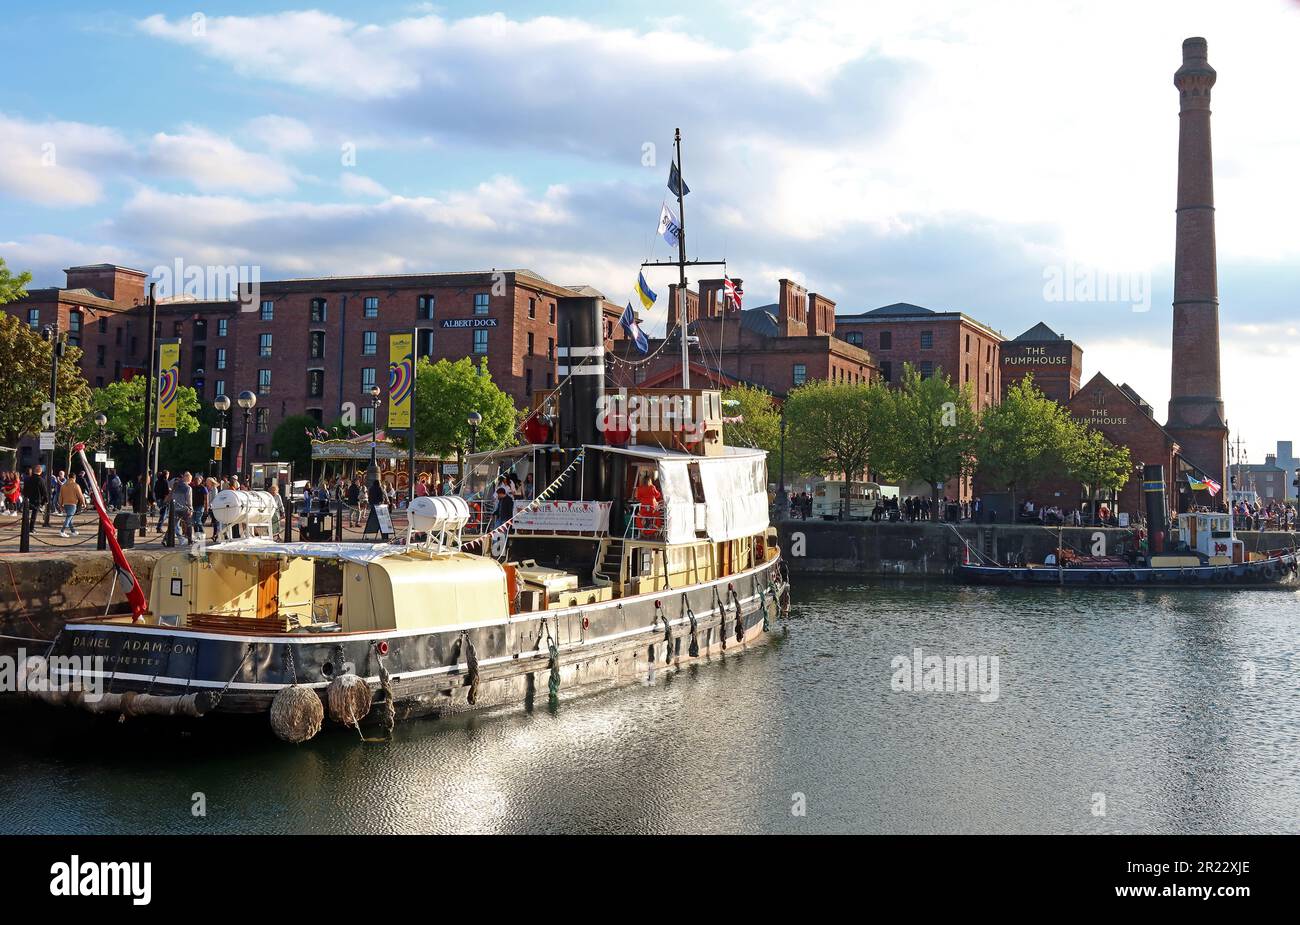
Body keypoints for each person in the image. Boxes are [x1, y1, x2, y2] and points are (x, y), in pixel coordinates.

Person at [22, 464, 49, 534]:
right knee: (34, 515)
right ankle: (31, 528)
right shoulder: (41, 480)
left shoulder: (28, 479)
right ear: (40, 471)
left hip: (28, 499)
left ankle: (25, 527)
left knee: (26, 515)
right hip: (37, 500)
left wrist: (25, 497)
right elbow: (44, 492)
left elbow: (24, 490)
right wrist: (45, 501)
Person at [58, 473, 85, 537]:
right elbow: (80, 495)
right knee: (69, 518)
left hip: (65, 503)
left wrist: (60, 504)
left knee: (70, 518)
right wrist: (83, 503)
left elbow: (60, 496)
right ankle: (62, 531)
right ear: (74, 478)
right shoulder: (76, 485)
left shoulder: (63, 485)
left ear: (68, 477)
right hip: (73, 503)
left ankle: (73, 531)